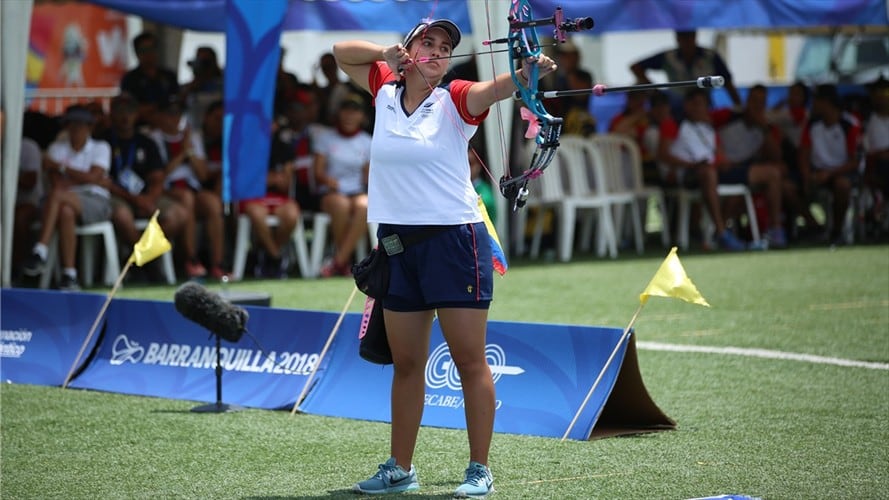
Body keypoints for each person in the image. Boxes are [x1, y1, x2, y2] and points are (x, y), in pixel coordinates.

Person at [333, 18, 556, 497]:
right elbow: (341, 51)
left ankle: (479, 469)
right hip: (397, 244)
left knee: (469, 362)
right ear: (409, 48)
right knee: (408, 363)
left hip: (455, 244)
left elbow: (499, 88)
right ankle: (401, 468)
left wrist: (527, 71)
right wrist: (384, 53)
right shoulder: (383, 88)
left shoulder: (455, 97)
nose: (436, 51)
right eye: (426, 42)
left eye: (444, 47)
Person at [22, 105, 112, 291]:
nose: (76, 129)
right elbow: (59, 184)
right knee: (65, 211)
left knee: (58, 198)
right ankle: (69, 275)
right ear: (67, 127)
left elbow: (93, 178)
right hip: (66, 201)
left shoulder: (101, 147)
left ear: (89, 127)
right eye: (72, 125)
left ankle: (41, 249)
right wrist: (84, 178)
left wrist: (62, 168)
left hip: (95, 201)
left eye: (81, 125)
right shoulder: (57, 147)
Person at [102, 93, 188, 280]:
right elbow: (103, 181)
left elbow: (158, 178)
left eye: (130, 111)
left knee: (179, 215)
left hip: (146, 195)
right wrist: (136, 200)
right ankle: (148, 264)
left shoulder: (146, 142)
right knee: (122, 216)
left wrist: (149, 199)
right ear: (111, 114)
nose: (125, 116)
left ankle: (135, 259)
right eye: (120, 111)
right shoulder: (103, 141)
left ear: (137, 115)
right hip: (116, 196)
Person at [657, 89, 747, 251]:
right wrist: (691, 165)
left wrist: (726, 163)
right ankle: (720, 232)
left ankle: (716, 231)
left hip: (710, 170)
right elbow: (663, 154)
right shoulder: (673, 124)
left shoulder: (709, 127)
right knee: (708, 173)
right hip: (686, 172)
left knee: (757, 176)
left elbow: (719, 156)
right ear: (687, 105)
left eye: (704, 105)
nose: (700, 109)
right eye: (696, 104)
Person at [150, 98, 226, 279]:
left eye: (178, 114)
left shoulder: (193, 137)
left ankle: (218, 263)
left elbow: (203, 175)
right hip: (167, 190)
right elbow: (162, 173)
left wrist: (190, 151)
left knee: (213, 203)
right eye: (170, 114)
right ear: (160, 116)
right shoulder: (154, 138)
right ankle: (191, 259)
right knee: (187, 198)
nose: (174, 118)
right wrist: (183, 152)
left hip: (191, 188)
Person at [712, 84, 791, 247]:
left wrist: (764, 129)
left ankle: (775, 230)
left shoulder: (766, 128)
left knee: (775, 174)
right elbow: (706, 129)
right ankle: (774, 229)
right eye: (754, 101)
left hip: (742, 171)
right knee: (771, 174)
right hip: (721, 168)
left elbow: (777, 156)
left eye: (761, 102)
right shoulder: (728, 116)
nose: (757, 106)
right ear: (747, 101)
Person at [316, 95, 373, 277]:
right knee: (341, 205)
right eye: (346, 110)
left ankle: (339, 261)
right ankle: (344, 261)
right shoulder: (325, 138)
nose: (349, 115)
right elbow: (317, 172)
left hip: (356, 191)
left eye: (354, 111)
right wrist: (328, 181)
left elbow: (369, 175)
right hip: (332, 191)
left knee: (365, 206)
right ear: (339, 114)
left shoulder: (367, 141)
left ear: (362, 116)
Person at [799, 84, 863, 245]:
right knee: (789, 187)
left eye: (815, 100)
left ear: (825, 102)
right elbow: (803, 153)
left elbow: (855, 161)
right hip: (817, 171)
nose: (812, 104)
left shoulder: (849, 125)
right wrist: (807, 176)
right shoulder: (812, 124)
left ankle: (837, 231)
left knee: (842, 185)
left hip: (841, 172)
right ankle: (815, 226)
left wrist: (830, 174)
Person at [631, 30, 742, 109]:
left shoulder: (710, 56)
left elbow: (727, 82)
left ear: (695, 36)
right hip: (676, 107)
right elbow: (636, 67)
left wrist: (739, 106)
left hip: (703, 106)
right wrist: (655, 92)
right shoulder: (669, 57)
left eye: (689, 37)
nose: (687, 42)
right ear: (677, 39)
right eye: (683, 37)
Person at [120, 32, 180, 127]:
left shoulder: (168, 76)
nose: (149, 54)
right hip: (141, 128)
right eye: (144, 50)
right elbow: (128, 108)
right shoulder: (130, 79)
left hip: (168, 127)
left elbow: (176, 103)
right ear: (137, 53)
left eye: (152, 48)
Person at [13, 136, 43, 277]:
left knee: (19, 217)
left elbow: (30, 181)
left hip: (30, 202)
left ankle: (17, 267)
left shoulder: (28, 147)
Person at [179, 46, 224, 129]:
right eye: (199, 61)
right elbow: (178, 107)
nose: (203, 67)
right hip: (195, 129)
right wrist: (190, 88)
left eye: (206, 62)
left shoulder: (223, 85)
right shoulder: (188, 87)